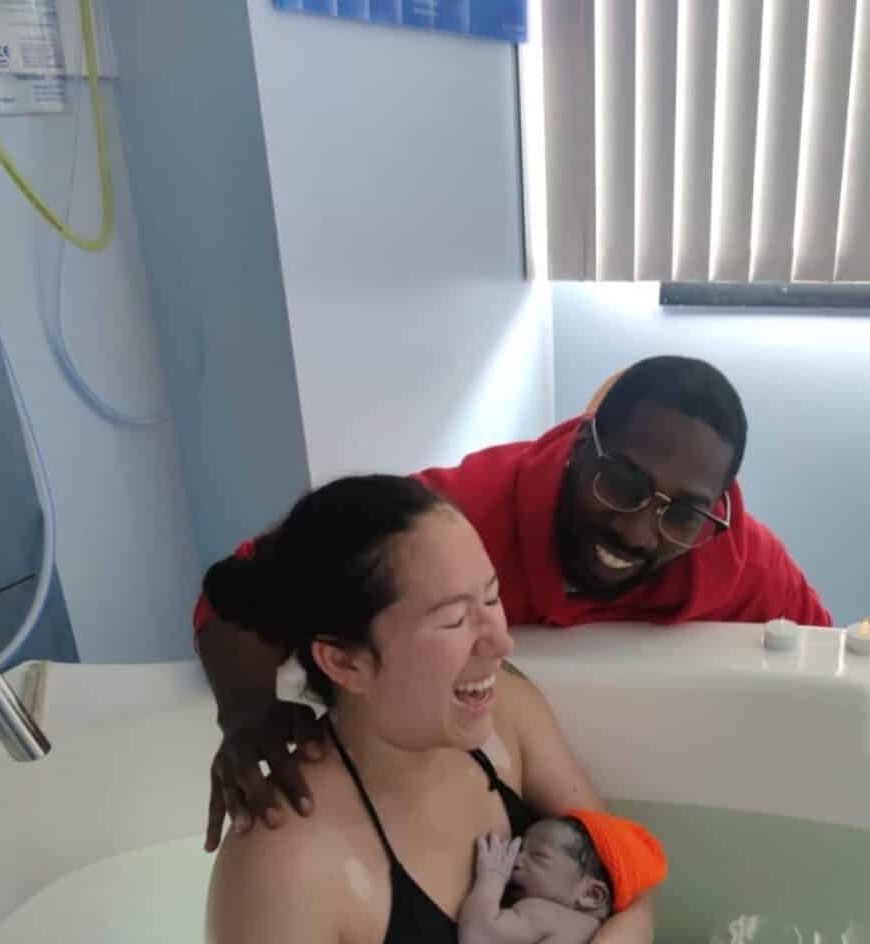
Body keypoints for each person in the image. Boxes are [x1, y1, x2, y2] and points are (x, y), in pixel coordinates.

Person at [195, 355, 832, 850]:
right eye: (621, 484)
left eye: (684, 513)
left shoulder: (729, 553)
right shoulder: (453, 524)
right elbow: (245, 591)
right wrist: (247, 712)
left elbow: (834, 673)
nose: (639, 533)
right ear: (583, 447)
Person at [203, 475, 656, 943]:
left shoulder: (507, 714)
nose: (501, 642)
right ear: (344, 662)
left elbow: (632, 888)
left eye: (492, 598)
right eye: (455, 620)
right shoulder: (283, 866)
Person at [459, 811, 667, 944]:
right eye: (519, 848)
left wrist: (492, 878)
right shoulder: (592, 930)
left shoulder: (544, 913)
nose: (514, 860)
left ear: (591, 894)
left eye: (537, 856)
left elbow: (479, 935)